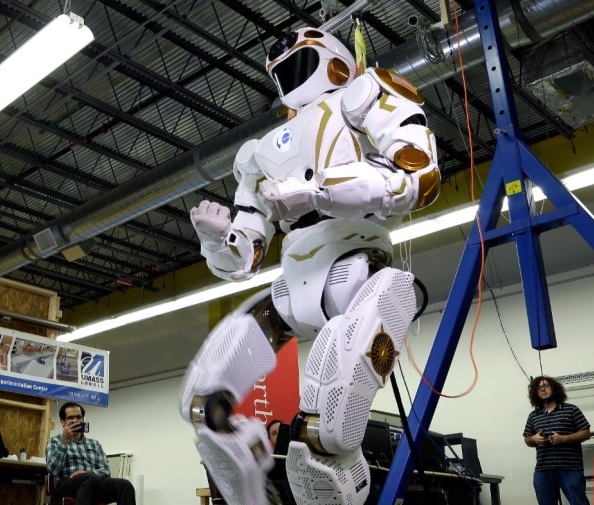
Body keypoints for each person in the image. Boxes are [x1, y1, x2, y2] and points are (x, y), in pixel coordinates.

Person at [180, 25, 439, 505]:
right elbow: (243, 259)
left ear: (332, 58)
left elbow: (419, 177)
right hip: (290, 283)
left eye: (297, 60)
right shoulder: (258, 153)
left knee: (327, 431)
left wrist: (324, 190)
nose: (286, 71)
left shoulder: (363, 95)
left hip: (357, 268)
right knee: (203, 407)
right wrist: (217, 241)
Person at [46, 401, 136, 505]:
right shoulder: (55, 441)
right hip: (67, 485)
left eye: (78, 417)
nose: (75, 420)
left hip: (94, 484)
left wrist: (89, 473)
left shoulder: (94, 444)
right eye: (70, 418)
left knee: (124, 485)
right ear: (62, 422)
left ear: (83, 419)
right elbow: (53, 470)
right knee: (89, 478)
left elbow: (106, 471)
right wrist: (64, 441)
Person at [522, 376, 591, 505]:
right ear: (535, 393)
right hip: (543, 470)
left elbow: (586, 433)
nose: (542, 390)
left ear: (554, 388)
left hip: (570, 468)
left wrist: (563, 438)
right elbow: (527, 439)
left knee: (578, 502)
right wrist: (534, 438)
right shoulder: (533, 416)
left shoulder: (571, 409)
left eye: (546, 386)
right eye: (538, 388)